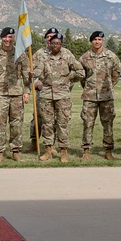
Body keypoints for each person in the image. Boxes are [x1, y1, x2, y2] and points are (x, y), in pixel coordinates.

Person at [32, 32, 84, 162]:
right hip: (46, 95)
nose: (55, 45)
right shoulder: (43, 57)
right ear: (49, 44)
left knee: (62, 123)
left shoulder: (67, 55)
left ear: (61, 44)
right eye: (53, 43)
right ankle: (48, 150)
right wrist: (37, 82)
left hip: (62, 95)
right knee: (47, 124)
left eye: (58, 43)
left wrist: (68, 78)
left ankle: (63, 151)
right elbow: (36, 75)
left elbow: (80, 72)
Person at [0, 26, 30, 163]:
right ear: (1, 38)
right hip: (0, 94)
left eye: (10, 37)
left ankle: (16, 151)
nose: (7, 40)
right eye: (5, 37)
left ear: (14, 38)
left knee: (17, 124)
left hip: (17, 94)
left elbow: (27, 75)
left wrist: (26, 92)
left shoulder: (20, 54)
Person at [79, 30, 121, 160]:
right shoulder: (84, 57)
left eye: (99, 39)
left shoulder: (111, 56)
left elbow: (117, 72)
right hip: (89, 97)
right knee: (87, 123)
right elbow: (81, 76)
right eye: (95, 39)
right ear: (91, 41)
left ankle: (108, 150)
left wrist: (109, 86)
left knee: (108, 123)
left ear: (103, 41)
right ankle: (86, 150)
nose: (97, 42)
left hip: (106, 96)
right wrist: (88, 87)